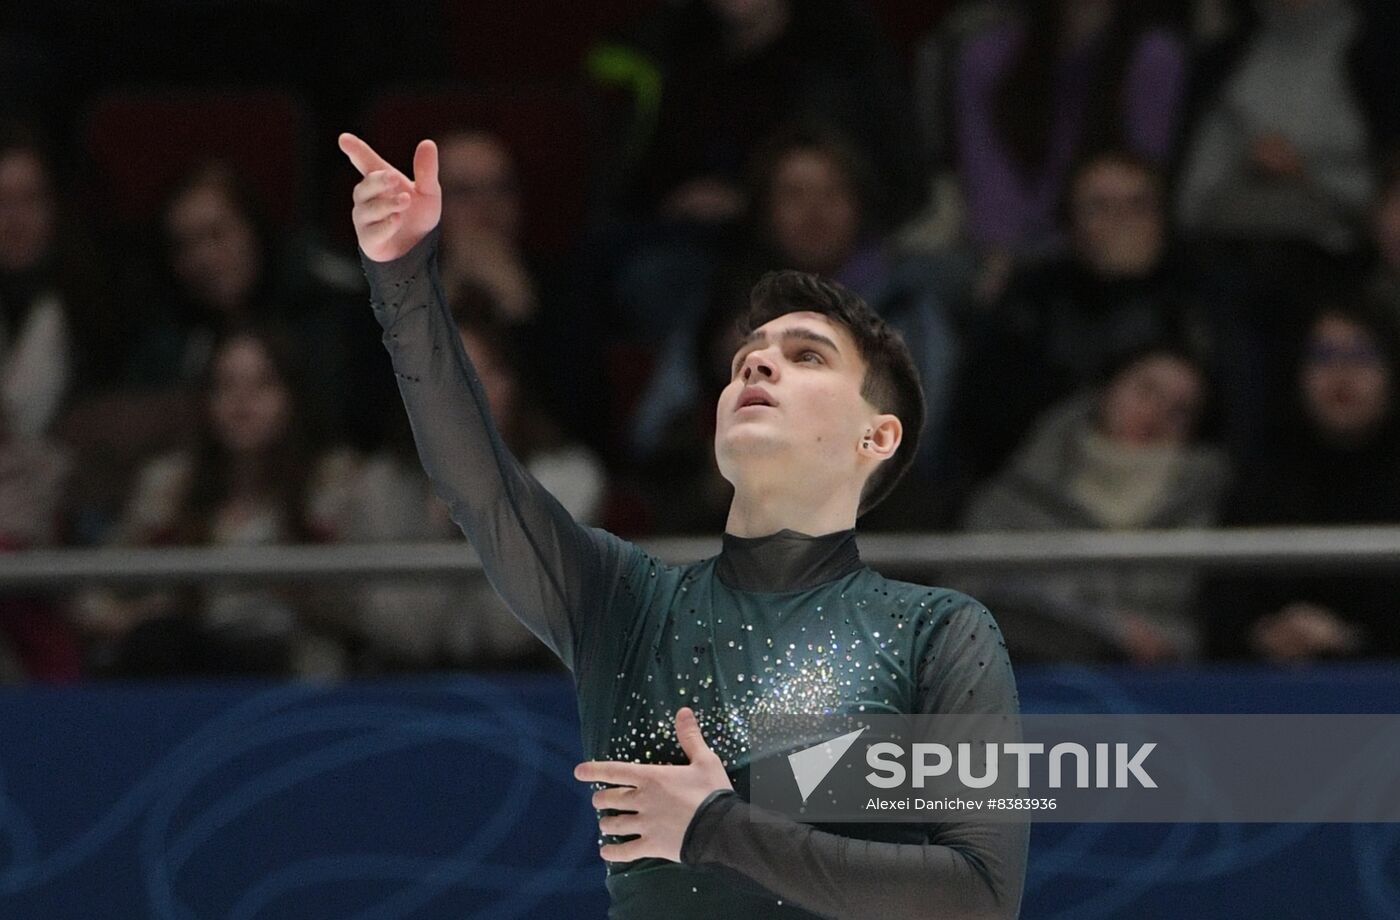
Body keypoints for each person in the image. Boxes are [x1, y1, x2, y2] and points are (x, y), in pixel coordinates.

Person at [338, 132, 1026, 919]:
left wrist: (716, 829)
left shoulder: (937, 633)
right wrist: (402, 278)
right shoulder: (626, 605)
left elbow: (980, 896)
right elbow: (479, 488)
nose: (757, 363)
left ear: (877, 436)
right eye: (748, 356)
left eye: (806, 356)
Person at [74, 327, 358, 678]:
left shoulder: (330, 481)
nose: (242, 402)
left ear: (292, 396)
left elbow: (359, 605)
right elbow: (93, 588)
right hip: (193, 662)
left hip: (292, 666)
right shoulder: (170, 485)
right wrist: (139, 614)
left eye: (262, 384)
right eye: (226, 385)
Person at [959, 344, 1229, 663]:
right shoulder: (1019, 489)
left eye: (1180, 410)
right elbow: (962, 599)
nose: (1156, 413)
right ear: (1107, 389)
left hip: (1143, 692)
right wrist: (1103, 624)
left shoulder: (1211, 506)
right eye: (1147, 390)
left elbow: (1212, 625)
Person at [1203, 299, 1400, 661]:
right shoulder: (1260, 480)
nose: (1342, 372)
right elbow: (1220, 609)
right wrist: (1263, 636)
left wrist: (1350, 642)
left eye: (1361, 355)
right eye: (1324, 355)